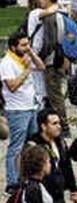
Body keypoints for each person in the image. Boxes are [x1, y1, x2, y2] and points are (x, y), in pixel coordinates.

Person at [3, 30, 45, 187]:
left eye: (28, 44)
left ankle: (28, 177)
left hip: (31, 107)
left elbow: (41, 67)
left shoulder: (26, 58)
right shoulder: (7, 63)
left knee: (31, 145)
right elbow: (12, 86)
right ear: (14, 47)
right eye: (23, 45)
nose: (27, 47)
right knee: (16, 147)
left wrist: (32, 54)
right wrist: (27, 71)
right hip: (17, 110)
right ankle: (12, 182)